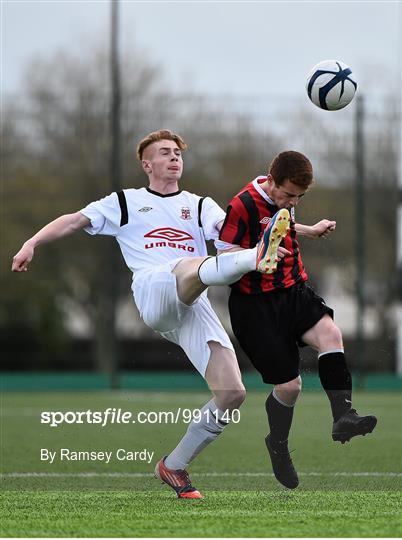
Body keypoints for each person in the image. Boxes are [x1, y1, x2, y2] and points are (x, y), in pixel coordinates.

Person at [11, 129, 289, 499]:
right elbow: (74, 220)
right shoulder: (125, 202)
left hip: (192, 300)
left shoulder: (199, 204)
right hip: (153, 289)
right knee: (193, 263)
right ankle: (254, 261)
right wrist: (32, 242)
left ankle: (173, 465)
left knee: (233, 393)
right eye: (165, 152)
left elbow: (236, 231)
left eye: (178, 152)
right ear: (147, 164)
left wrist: (301, 229)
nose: (174, 158)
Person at [217, 150, 377, 489]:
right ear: (271, 182)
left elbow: (280, 224)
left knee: (331, 335)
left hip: (293, 291)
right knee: (290, 387)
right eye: (289, 195)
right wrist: (259, 256)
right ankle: (277, 445)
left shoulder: (285, 200)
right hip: (254, 306)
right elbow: (223, 256)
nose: (292, 202)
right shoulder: (242, 204)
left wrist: (309, 230)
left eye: (299, 197)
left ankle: (343, 416)